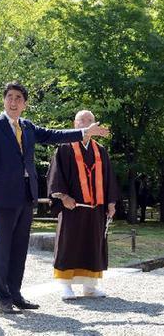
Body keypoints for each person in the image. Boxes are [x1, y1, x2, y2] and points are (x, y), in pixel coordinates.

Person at [0, 82, 109, 315]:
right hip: (3, 196)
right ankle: (2, 298)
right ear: (4, 100)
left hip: (26, 194)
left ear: (25, 104)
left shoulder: (28, 126)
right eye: (10, 97)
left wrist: (84, 132)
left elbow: (54, 135)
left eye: (18, 98)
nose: (13, 102)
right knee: (2, 248)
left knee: (20, 248)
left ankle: (15, 294)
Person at [47, 110, 118, 300]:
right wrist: (63, 197)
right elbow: (56, 175)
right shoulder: (64, 148)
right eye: (82, 120)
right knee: (68, 245)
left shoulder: (100, 150)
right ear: (75, 124)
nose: (86, 123)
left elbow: (109, 178)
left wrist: (111, 202)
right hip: (72, 208)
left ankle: (90, 287)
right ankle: (66, 286)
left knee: (93, 245)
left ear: (95, 124)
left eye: (90, 120)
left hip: (96, 210)